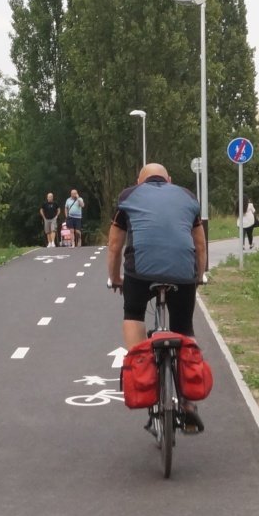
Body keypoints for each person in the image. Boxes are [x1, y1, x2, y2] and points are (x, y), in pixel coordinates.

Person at [106, 163, 208, 432]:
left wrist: (115, 278)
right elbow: (199, 243)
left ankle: (144, 370)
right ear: (169, 179)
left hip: (140, 272)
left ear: (140, 181)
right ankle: (186, 402)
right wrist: (198, 276)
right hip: (183, 273)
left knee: (134, 313)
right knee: (184, 327)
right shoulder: (187, 197)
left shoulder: (129, 197)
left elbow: (115, 245)